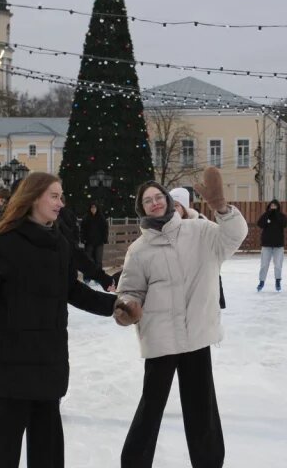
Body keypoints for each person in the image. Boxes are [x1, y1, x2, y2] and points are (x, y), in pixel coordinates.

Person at [0, 172, 139, 467]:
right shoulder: (5, 243)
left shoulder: (59, 243)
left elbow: (72, 290)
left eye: (61, 196)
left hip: (48, 356)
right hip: (13, 359)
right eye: (54, 196)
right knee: (6, 447)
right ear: (33, 197)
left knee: (48, 446)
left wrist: (115, 305)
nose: (61, 203)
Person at [115, 167, 248, 468]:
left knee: (202, 407)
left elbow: (234, 236)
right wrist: (127, 308)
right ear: (142, 209)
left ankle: (209, 462)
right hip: (161, 337)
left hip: (196, 334)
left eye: (157, 196)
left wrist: (222, 208)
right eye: (147, 201)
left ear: (169, 200)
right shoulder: (139, 250)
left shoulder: (200, 231)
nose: (154, 203)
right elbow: (130, 289)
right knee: (151, 407)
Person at [170, 187, 226, 309]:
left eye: (176, 205)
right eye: (170, 206)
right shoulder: (164, 228)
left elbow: (221, 244)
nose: (172, 210)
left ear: (184, 208)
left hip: (200, 286)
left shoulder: (201, 225)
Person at [256, 199, 287, 292]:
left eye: (275, 206)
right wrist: (268, 215)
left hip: (278, 245)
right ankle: (261, 281)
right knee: (264, 265)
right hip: (266, 245)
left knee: (278, 265)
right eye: (272, 206)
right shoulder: (266, 215)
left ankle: (278, 281)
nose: (273, 207)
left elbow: (285, 224)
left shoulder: (281, 216)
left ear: (278, 207)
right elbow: (260, 224)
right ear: (269, 206)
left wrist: (277, 215)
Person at [80, 203, 109, 282]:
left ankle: (98, 278)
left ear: (97, 209)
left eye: (94, 208)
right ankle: (87, 278)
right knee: (88, 260)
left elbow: (105, 229)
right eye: (91, 208)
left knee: (98, 261)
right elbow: (82, 230)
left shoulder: (101, 218)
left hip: (99, 243)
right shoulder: (86, 218)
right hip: (89, 242)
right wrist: (83, 238)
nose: (93, 209)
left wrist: (105, 238)